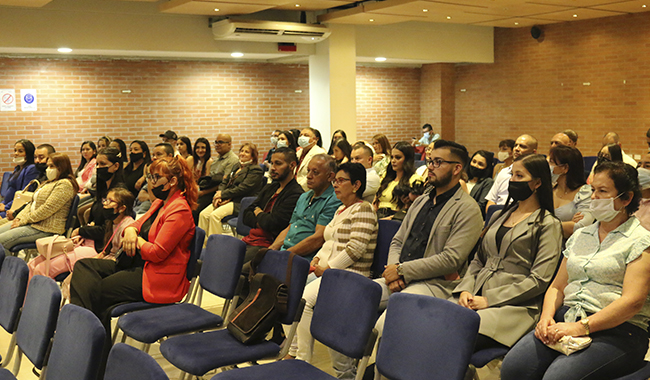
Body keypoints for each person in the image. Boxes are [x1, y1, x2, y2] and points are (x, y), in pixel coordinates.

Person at [501, 161, 650, 380]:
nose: (594, 198)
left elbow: (632, 302)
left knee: (558, 377)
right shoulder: (582, 235)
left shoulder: (640, 240)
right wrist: (546, 318)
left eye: (603, 191)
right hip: (568, 318)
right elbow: (558, 286)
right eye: (593, 190)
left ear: (626, 199)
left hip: (618, 330)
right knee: (514, 368)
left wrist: (581, 327)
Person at [69, 155, 197, 373]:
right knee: (84, 266)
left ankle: (89, 352)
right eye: (150, 176)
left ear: (173, 181)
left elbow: (157, 253)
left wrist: (136, 239)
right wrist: (130, 230)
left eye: (155, 177)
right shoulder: (160, 203)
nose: (150, 181)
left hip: (159, 277)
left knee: (97, 291)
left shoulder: (180, 210)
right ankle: (87, 342)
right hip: (141, 265)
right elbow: (137, 222)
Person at [370, 140, 483, 380]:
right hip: (400, 277)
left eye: (438, 162)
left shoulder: (467, 209)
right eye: (430, 161)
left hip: (435, 284)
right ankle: (347, 372)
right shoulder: (421, 200)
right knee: (357, 298)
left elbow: (451, 259)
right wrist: (393, 269)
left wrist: (402, 271)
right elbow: (398, 240)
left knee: (383, 326)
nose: (430, 167)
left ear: (456, 169)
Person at [454, 154, 562, 355]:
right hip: (476, 295)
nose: (512, 181)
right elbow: (478, 259)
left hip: (515, 305)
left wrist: (489, 300)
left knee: (455, 333)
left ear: (537, 183)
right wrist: (466, 289)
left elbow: (540, 279)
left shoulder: (548, 225)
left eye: (520, 176)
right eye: (512, 175)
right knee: (431, 324)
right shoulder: (498, 215)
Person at [291, 163, 377, 377]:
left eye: (341, 181)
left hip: (352, 276)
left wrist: (328, 269)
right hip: (335, 273)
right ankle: (292, 351)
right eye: (334, 180)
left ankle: (302, 359)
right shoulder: (341, 209)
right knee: (290, 290)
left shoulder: (363, 209)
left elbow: (355, 249)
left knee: (305, 301)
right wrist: (318, 259)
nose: (335, 185)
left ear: (356, 185)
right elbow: (330, 241)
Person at [28, 187, 135, 282]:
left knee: (43, 269)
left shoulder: (127, 226)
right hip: (92, 247)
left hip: (105, 258)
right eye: (105, 200)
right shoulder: (111, 222)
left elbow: (118, 258)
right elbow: (105, 251)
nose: (105, 204)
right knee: (32, 264)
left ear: (122, 208)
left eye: (110, 201)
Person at [269, 154, 341, 261]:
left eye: (315, 172)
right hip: (285, 252)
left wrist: (285, 255)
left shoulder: (333, 200)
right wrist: (271, 250)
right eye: (308, 171)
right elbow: (290, 227)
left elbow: (319, 238)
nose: (308, 176)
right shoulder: (304, 197)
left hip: (303, 258)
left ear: (330, 176)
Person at [0, 153, 78, 252]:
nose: (47, 169)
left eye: (51, 166)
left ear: (61, 167)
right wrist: (19, 217)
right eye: (48, 166)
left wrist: (23, 220)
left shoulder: (64, 185)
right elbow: (32, 203)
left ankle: (9, 267)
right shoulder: (48, 182)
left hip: (46, 229)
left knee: (2, 241)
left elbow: (46, 209)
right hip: (33, 223)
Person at [241, 147, 303, 263]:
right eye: (272, 163)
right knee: (220, 257)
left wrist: (259, 213)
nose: (273, 168)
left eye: (278, 164)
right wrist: (262, 220)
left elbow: (274, 224)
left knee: (233, 269)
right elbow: (246, 214)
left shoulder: (296, 194)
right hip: (250, 240)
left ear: (292, 165)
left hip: (267, 245)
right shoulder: (270, 187)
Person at [198, 143, 264, 238]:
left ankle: (215, 247)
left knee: (214, 216)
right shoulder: (236, 166)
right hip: (227, 198)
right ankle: (203, 246)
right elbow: (225, 182)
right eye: (242, 151)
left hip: (239, 202)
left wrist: (223, 195)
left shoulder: (256, 170)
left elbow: (242, 189)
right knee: (203, 214)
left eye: (247, 152)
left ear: (253, 156)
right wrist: (219, 194)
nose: (243, 153)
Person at [73, 147, 126, 252]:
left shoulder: (119, 192)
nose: (98, 167)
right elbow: (96, 219)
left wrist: (81, 230)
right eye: (97, 164)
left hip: (104, 246)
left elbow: (108, 229)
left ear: (116, 166)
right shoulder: (103, 189)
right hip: (93, 240)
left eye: (102, 164)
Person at [549, 146, 594, 239]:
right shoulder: (549, 189)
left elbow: (581, 226)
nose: (547, 166)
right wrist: (567, 224)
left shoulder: (585, 192)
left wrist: (541, 226)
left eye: (551, 162)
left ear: (565, 168)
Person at [485, 134, 538, 210]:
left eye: (522, 146)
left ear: (533, 152)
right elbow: (491, 201)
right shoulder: (503, 172)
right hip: (498, 214)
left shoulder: (534, 175)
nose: (517, 149)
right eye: (515, 145)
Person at [195, 134, 238, 220]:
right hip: (209, 190)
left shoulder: (232, 160)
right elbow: (210, 180)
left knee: (195, 210)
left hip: (219, 194)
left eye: (220, 142)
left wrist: (203, 193)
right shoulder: (217, 159)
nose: (217, 145)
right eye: (216, 142)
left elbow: (225, 183)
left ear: (229, 144)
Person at [374, 142, 420, 218]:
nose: (393, 161)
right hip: (379, 215)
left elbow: (411, 210)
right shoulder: (387, 176)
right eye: (392, 157)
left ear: (407, 159)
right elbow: (375, 202)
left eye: (398, 157)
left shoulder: (414, 179)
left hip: (397, 218)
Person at [0, 139, 38, 218]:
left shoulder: (32, 169)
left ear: (28, 153)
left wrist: (6, 207)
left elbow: (24, 193)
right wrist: (3, 203)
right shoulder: (17, 169)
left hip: (14, 208)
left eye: (20, 151)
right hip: (6, 205)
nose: (16, 153)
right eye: (15, 150)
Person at [466, 150, 495, 217]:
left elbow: (481, 207)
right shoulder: (464, 179)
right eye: (474, 161)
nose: (475, 165)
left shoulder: (488, 182)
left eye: (480, 164)